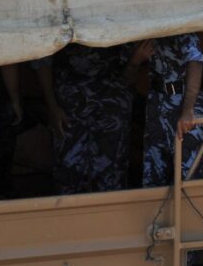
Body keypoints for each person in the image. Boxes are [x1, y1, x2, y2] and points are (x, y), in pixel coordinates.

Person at [37, 44, 136, 194]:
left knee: (111, 174)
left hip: (112, 104)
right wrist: (52, 106)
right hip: (70, 103)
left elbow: (130, 70)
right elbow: (41, 59)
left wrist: (134, 63)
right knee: (68, 171)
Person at [130, 34, 203, 187]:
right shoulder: (149, 31)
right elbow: (127, 77)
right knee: (154, 168)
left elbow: (195, 62)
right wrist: (136, 60)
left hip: (184, 103)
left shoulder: (182, 30)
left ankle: (184, 204)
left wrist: (188, 110)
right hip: (158, 102)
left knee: (187, 171)